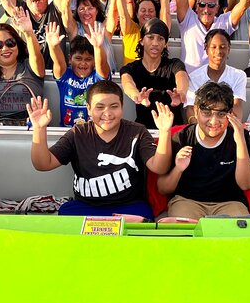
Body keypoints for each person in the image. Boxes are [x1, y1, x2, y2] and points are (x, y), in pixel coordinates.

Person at [27, 81, 173, 219]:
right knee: (66, 211)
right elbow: (43, 164)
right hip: (86, 206)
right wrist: (39, 129)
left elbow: (159, 167)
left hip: (128, 207)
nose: (107, 113)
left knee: (144, 213)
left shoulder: (137, 132)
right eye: (100, 107)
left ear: (122, 107)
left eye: (114, 106)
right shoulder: (78, 134)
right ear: (89, 109)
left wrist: (165, 131)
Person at [157, 81, 250, 219]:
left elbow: (247, 184)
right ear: (196, 111)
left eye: (221, 114)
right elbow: (162, 188)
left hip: (230, 202)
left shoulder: (240, 136)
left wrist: (240, 141)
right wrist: (178, 169)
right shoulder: (181, 137)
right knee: (184, 228)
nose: (214, 121)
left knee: (238, 228)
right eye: (207, 113)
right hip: (187, 201)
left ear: (230, 113)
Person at [120, 18, 189, 129]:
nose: (155, 43)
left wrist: (181, 92)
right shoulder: (131, 68)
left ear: (165, 43)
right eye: (150, 37)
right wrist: (136, 95)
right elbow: (127, 82)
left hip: (173, 129)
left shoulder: (174, 64)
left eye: (160, 39)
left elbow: (182, 77)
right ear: (142, 41)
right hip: (144, 130)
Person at [60, 0, 119, 72]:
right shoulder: (75, 29)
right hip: (81, 78)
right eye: (82, 9)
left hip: (105, 78)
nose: (86, 12)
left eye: (90, 8)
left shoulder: (104, 29)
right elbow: (65, 10)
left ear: (97, 10)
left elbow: (114, 10)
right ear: (77, 11)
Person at [47, 21, 110, 127]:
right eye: (78, 58)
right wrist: (53, 47)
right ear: (70, 59)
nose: (83, 63)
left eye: (88, 59)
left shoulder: (97, 77)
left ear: (94, 61)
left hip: (93, 132)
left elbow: (102, 65)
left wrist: (98, 47)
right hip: (68, 132)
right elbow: (58, 63)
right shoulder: (65, 76)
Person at [110, 0, 171, 66]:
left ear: (155, 14)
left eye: (151, 11)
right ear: (137, 14)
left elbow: (165, 11)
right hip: (132, 75)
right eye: (143, 10)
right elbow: (123, 15)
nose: (147, 13)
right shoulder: (130, 29)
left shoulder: (160, 29)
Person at [185, 29, 247, 122]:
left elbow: (237, 105)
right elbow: (190, 109)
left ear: (229, 49)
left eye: (223, 47)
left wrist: (225, 126)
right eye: (213, 47)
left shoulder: (239, 76)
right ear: (206, 49)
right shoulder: (193, 77)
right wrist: (199, 128)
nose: (218, 51)